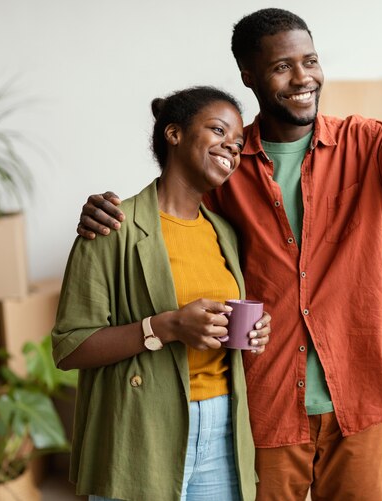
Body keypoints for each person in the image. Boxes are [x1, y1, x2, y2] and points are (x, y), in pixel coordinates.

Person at [75, 8, 382, 501]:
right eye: (283, 66)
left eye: (311, 61)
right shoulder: (227, 167)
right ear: (249, 76)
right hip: (268, 400)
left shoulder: (364, 143)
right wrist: (103, 210)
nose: (303, 77)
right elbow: (167, 211)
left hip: (360, 392)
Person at [52, 86, 271, 501]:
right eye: (218, 130)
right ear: (174, 134)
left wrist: (256, 332)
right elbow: (69, 347)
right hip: (141, 425)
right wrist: (164, 327)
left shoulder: (223, 231)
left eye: (238, 143)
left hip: (223, 426)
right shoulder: (113, 226)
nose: (232, 147)